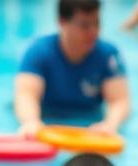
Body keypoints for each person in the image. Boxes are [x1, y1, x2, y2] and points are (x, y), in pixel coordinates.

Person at [15, 0, 131, 137]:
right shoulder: (38, 52)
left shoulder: (109, 55)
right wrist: (31, 122)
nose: (93, 32)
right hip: (48, 118)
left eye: (97, 23)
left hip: (89, 121)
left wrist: (110, 125)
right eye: (84, 25)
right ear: (62, 22)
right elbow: (26, 95)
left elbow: (119, 101)